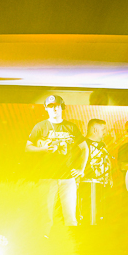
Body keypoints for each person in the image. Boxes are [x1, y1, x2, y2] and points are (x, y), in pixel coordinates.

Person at [26, 95, 87, 233]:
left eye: (57, 106)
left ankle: (73, 244)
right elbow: (28, 147)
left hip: (67, 177)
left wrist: (81, 169)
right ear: (46, 109)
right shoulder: (40, 126)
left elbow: (84, 148)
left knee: (70, 215)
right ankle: (45, 242)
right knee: (46, 215)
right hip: (47, 177)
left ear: (62, 107)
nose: (54, 109)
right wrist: (42, 149)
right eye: (51, 106)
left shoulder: (70, 126)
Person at [81, 118, 112, 227]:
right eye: (103, 129)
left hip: (103, 186)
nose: (105, 132)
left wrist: (110, 178)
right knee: (91, 217)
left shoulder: (102, 145)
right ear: (94, 130)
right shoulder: (83, 144)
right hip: (90, 186)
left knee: (102, 217)